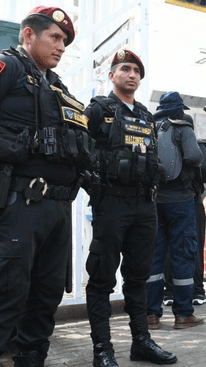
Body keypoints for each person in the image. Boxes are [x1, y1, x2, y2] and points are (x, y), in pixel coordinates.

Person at [0, 7, 94, 367]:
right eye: (55, 38)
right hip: (17, 203)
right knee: (4, 295)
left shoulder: (57, 86)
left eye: (65, 42)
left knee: (45, 298)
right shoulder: (5, 66)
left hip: (56, 209)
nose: (61, 47)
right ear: (29, 35)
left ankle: (31, 360)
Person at [84, 50, 176, 366]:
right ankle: (103, 351)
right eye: (125, 68)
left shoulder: (146, 117)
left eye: (137, 70)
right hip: (111, 204)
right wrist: (94, 188)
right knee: (101, 278)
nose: (132, 74)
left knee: (138, 277)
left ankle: (141, 342)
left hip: (143, 206)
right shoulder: (98, 109)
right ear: (111, 75)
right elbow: (80, 152)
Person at [146, 91, 204, 330]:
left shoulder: (148, 127)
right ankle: (183, 314)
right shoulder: (182, 127)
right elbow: (194, 156)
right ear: (180, 110)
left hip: (154, 200)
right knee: (183, 254)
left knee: (155, 256)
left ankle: (151, 315)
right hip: (181, 200)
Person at [163, 139, 206, 306]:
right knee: (194, 247)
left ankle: (169, 292)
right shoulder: (197, 145)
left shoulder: (163, 141)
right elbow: (204, 169)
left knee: (168, 248)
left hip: (163, 202)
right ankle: (197, 291)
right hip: (191, 200)